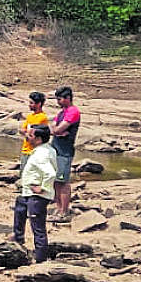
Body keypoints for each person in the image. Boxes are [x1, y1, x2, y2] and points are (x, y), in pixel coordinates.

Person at [14, 125, 57, 262]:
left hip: (37, 196)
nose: (27, 137)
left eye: (30, 135)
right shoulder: (45, 149)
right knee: (20, 207)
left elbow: (50, 173)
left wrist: (43, 188)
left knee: (37, 225)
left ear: (38, 139)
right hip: (28, 193)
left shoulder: (41, 154)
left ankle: (41, 257)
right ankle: (18, 238)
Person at [50, 86, 81, 222]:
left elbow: (57, 129)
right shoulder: (61, 112)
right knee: (55, 181)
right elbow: (53, 127)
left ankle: (64, 211)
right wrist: (57, 130)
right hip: (56, 148)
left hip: (65, 151)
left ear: (68, 98)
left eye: (60, 99)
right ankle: (58, 208)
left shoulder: (73, 112)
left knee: (63, 181)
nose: (58, 102)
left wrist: (57, 130)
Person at [20, 91, 49, 173]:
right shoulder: (30, 116)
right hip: (25, 149)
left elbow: (37, 134)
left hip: (34, 151)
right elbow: (22, 130)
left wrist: (28, 133)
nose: (29, 105)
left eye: (31, 103)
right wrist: (26, 133)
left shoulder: (42, 117)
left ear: (39, 104)